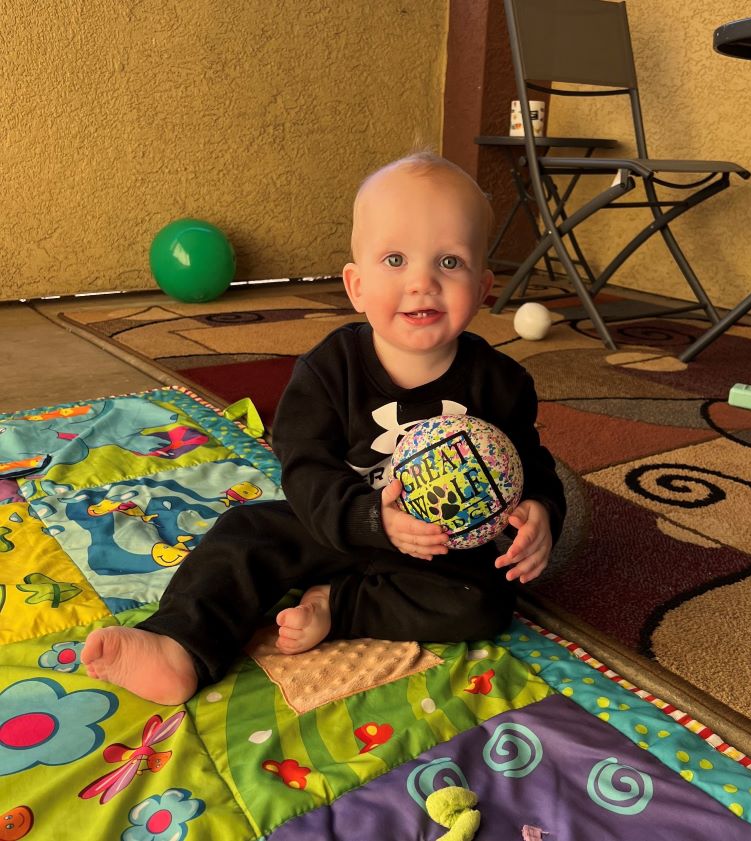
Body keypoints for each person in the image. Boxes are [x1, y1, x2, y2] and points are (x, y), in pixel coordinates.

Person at [83, 151, 566, 705]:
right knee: (245, 536)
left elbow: (532, 465)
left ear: (483, 287)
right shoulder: (328, 369)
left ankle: (340, 603)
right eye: (395, 259)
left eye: (450, 263)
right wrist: (365, 518)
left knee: (484, 604)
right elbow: (304, 466)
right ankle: (178, 644)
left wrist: (542, 513)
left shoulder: (501, 382)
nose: (422, 283)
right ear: (356, 286)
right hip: (332, 522)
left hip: (440, 548)